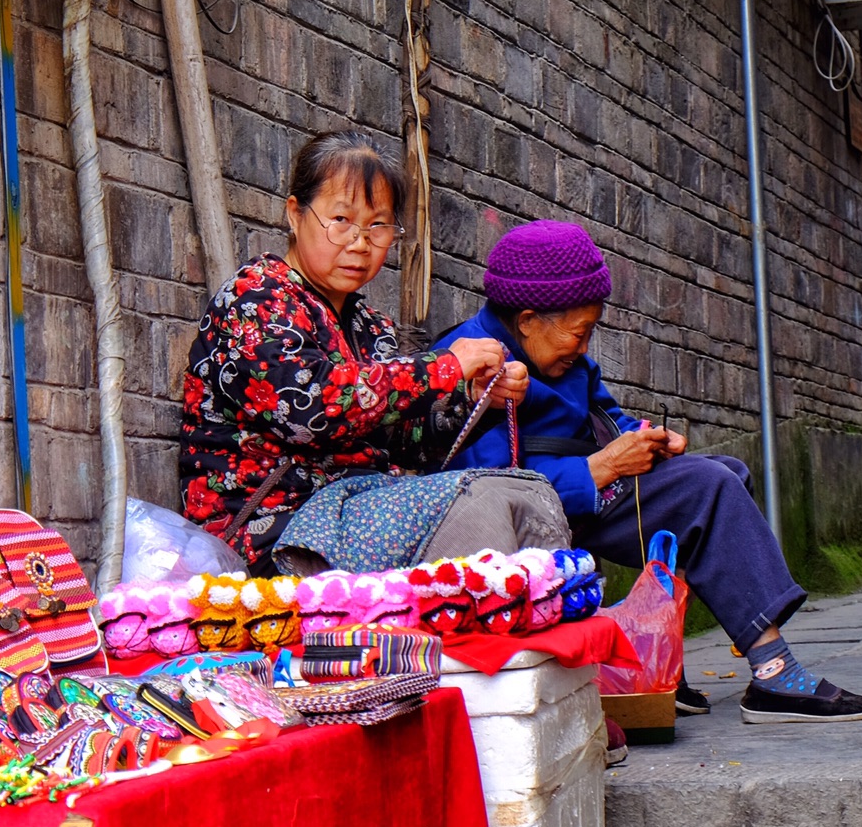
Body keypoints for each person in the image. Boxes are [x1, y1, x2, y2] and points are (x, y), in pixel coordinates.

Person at [438, 220, 862, 724]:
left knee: (726, 472)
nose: (583, 348)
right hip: (546, 512)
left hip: (593, 489)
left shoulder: (566, 361)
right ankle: (774, 671)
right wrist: (600, 468)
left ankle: (665, 670)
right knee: (708, 489)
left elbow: (607, 417)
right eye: (578, 332)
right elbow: (481, 491)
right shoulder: (470, 363)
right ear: (528, 320)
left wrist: (648, 438)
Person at [179, 131, 570, 575]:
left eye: (377, 226)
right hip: (270, 531)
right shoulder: (255, 299)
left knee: (525, 490)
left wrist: (473, 398)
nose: (360, 243)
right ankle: (484, 632)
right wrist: (443, 368)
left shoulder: (370, 326)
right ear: (295, 214)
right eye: (341, 220)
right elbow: (310, 413)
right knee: (484, 503)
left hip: (354, 508)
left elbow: (402, 445)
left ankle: (521, 624)